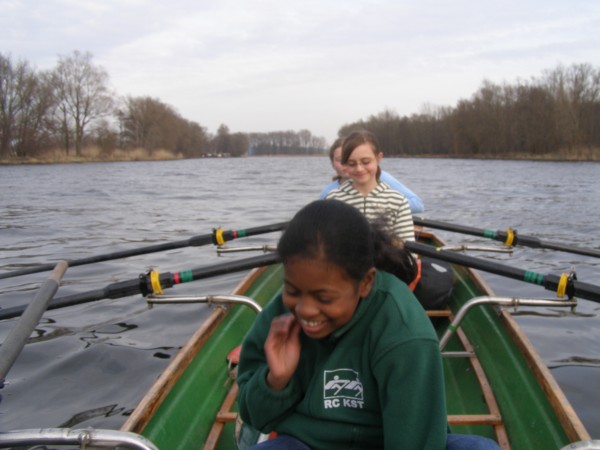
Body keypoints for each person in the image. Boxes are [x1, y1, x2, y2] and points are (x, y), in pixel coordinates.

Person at [236, 200, 501, 450]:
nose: (304, 309)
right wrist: (275, 381)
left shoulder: (404, 332)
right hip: (306, 442)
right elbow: (255, 418)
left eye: (324, 297)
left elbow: (415, 441)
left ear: (365, 283)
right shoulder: (281, 319)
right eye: (292, 289)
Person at [324, 130, 415, 244]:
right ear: (345, 163)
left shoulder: (398, 201)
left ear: (378, 158)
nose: (359, 169)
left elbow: (409, 252)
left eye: (366, 162)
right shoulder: (332, 200)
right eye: (351, 164)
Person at [319, 138, 425, 214]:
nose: (345, 164)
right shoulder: (328, 193)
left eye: (349, 159)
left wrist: (377, 205)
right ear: (332, 164)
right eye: (340, 160)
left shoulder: (381, 177)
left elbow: (418, 205)